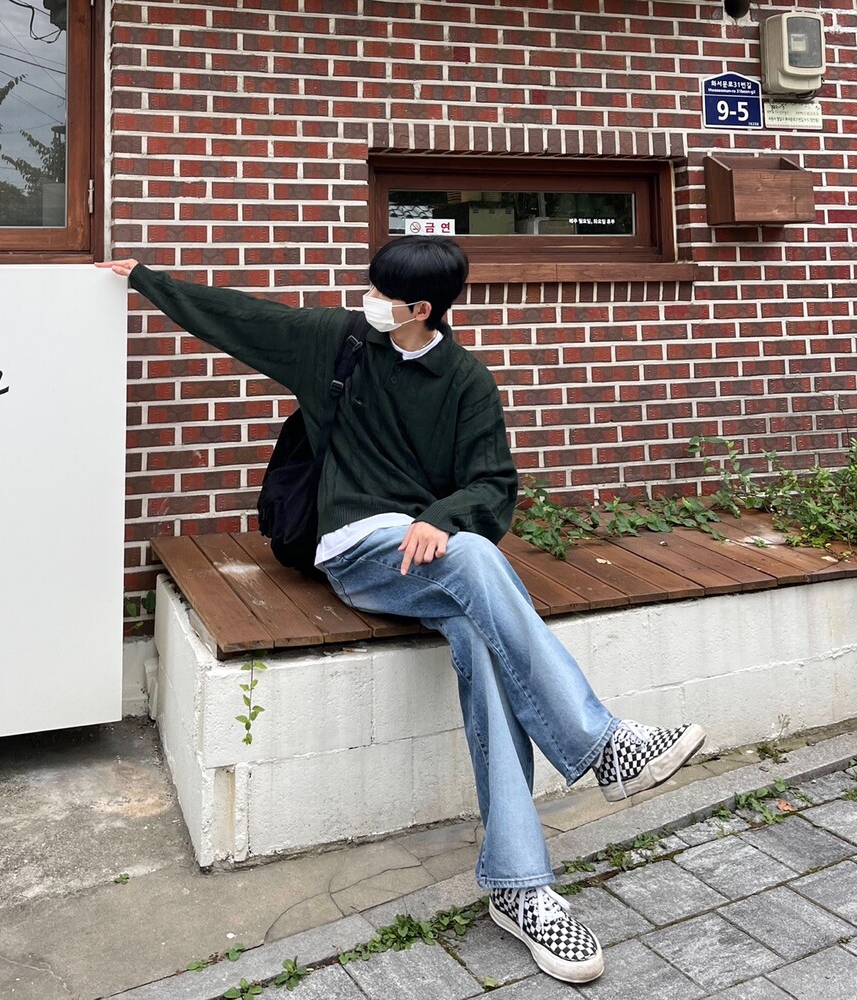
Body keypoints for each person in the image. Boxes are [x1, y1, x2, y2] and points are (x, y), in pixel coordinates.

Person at [97, 239, 705, 985]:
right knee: (475, 560)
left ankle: (520, 885)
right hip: (356, 551)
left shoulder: (466, 381)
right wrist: (146, 280)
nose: (368, 299)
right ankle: (598, 742)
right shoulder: (339, 344)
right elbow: (241, 317)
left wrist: (440, 519)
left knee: (481, 637)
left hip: (432, 560)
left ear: (422, 308)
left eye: (383, 293)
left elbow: (492, 485)